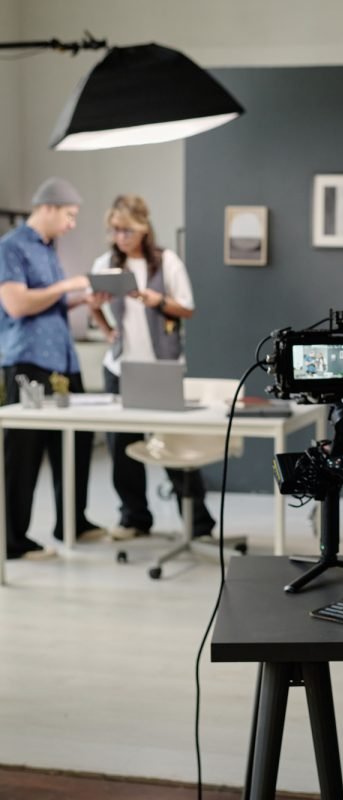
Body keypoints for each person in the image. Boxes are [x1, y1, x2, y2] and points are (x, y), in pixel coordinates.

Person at [89, 194, 215, 541]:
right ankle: (134, 517)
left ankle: (198, 523)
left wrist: (153, 298)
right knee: (122, 450)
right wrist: (104, 325)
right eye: (114, 230)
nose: (121, 237)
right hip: (120, 369)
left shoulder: (166, 261)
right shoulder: (106, 263)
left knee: (175, 445)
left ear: (143, 228)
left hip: (162, 366)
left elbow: (186, 309)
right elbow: (92, 303)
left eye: (127, 230)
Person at [0, 177, 106, 560]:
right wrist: (67, 286)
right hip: (28, 360)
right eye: (69, 215)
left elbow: (45, 305)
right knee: (23, 453)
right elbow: (16, 305)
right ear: (47, 207)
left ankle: (72, 522)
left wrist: (80, 299)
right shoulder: (11, 247)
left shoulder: (48, 248)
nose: (72, 224)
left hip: (63, 361)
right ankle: (13, 541)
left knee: (74, 442)